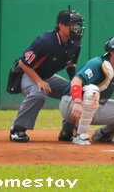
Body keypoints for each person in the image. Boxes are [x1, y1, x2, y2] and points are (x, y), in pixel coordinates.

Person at [9, 9, 84, 143]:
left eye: (76, 25)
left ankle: (67, 130)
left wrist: (74, 84)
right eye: (71, 25)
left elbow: (71, 65)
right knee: (39, 93)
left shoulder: (75, 43)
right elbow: (23, 63)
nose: (75, 28)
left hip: (47, 77)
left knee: (75, 92)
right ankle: (17, 129)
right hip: (28, 74)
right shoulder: (45, 41)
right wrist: (39, 81)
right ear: (61, 26)